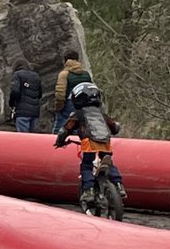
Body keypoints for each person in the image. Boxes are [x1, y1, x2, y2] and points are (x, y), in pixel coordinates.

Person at [53, 82, 126, 211]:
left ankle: (88, 190)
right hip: (105, 142)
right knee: (109, 165)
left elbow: (64, 130)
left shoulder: (78, 115)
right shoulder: (102, 114)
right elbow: (115, 127)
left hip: (89, 142)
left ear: (78, 99)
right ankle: (119, 185)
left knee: (86, 166)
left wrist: (59, 142)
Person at [52, 50, 92, 134]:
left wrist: (58, 108)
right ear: (78, 60)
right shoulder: (86, 74)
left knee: (58, 132)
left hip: (68, 105)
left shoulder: (64, 74)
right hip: (83, 107)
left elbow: (60, 95)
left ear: (65, 61)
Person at [8, 58, 41, 132]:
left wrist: (12, 103)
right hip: (35, 112)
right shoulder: (36, 76)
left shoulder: (17, 75)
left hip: (22, 112)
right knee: (32, 138)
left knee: (22, 138)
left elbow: (15, 91)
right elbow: (40, 94)